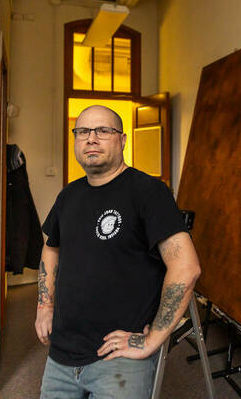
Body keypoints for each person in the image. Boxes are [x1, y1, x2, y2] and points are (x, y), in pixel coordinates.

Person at [35, 105, 201, 399]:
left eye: (103, 131)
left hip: (118, 357)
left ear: (122, 140)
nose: (91, 138)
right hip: (62, 351)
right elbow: (51, 249)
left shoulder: (149, 192)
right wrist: (44, 306)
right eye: (83, 131)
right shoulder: (68, 196)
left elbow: (186, 268)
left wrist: (151, 340)